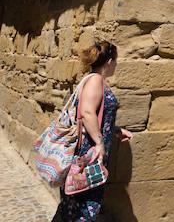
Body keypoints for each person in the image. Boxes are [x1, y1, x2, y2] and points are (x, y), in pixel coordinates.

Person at [53, 42, 132, 222]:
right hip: (87, 157)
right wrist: (100, 143)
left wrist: (115, 130)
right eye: (116, 61)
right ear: (110, 61)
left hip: (87, 155)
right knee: (82, 208)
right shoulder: (95, 80)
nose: (116, 65)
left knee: (73, 207)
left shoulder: (91, 79)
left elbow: (96, 116)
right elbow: (87, 112)